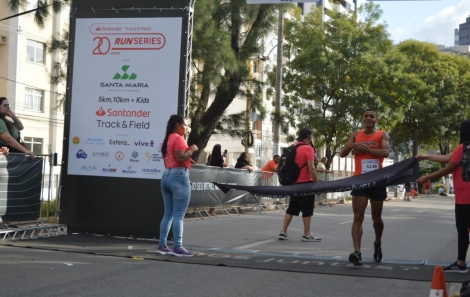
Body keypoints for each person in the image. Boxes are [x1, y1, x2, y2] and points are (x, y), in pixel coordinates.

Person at [417, 119, 470, 273]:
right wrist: (425, 156)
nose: (458, 133)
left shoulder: (463, 147)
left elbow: (448, 168)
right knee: (462, 229)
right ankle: (460, 263)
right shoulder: (463, 148)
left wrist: (426, 178)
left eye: (460, 130)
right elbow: (447, 158)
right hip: (462, 197)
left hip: (466, 197)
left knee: (463, 229)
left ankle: (461, 263)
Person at [339, 109, 390, 266]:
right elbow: (342, 153)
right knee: (358, 216)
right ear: (362, 119)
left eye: (372, 116)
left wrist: (365, 149)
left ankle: (377, 242)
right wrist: (354, 145)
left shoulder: (382, 134)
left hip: (376, 180)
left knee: (376, 218)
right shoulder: (356, 134)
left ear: (377, 120)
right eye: (366, 116)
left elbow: (385, 152)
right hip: (360, 180)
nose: (369, 118)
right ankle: (357, 252)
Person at [158, 114, 198, 257]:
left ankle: (162, 245)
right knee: (178, 215)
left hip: (167, 175)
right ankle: (178, 247)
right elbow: (181, 157)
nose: (187, 128)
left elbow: (172, 160)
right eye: (185, 125)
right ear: (177, 125)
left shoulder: (168, 139)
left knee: (168, 213)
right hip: (178, 175)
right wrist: (192, 149)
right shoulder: (179, 138)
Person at [278, 127, 321, 242]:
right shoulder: (308, 149)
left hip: (294, 184)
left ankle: (283, 232)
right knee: (307, 209)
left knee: (291, 208)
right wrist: (317, 185)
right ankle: (307, 234)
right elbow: (311, 169)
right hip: (306, 183)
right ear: (309, 137)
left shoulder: (293, 147)